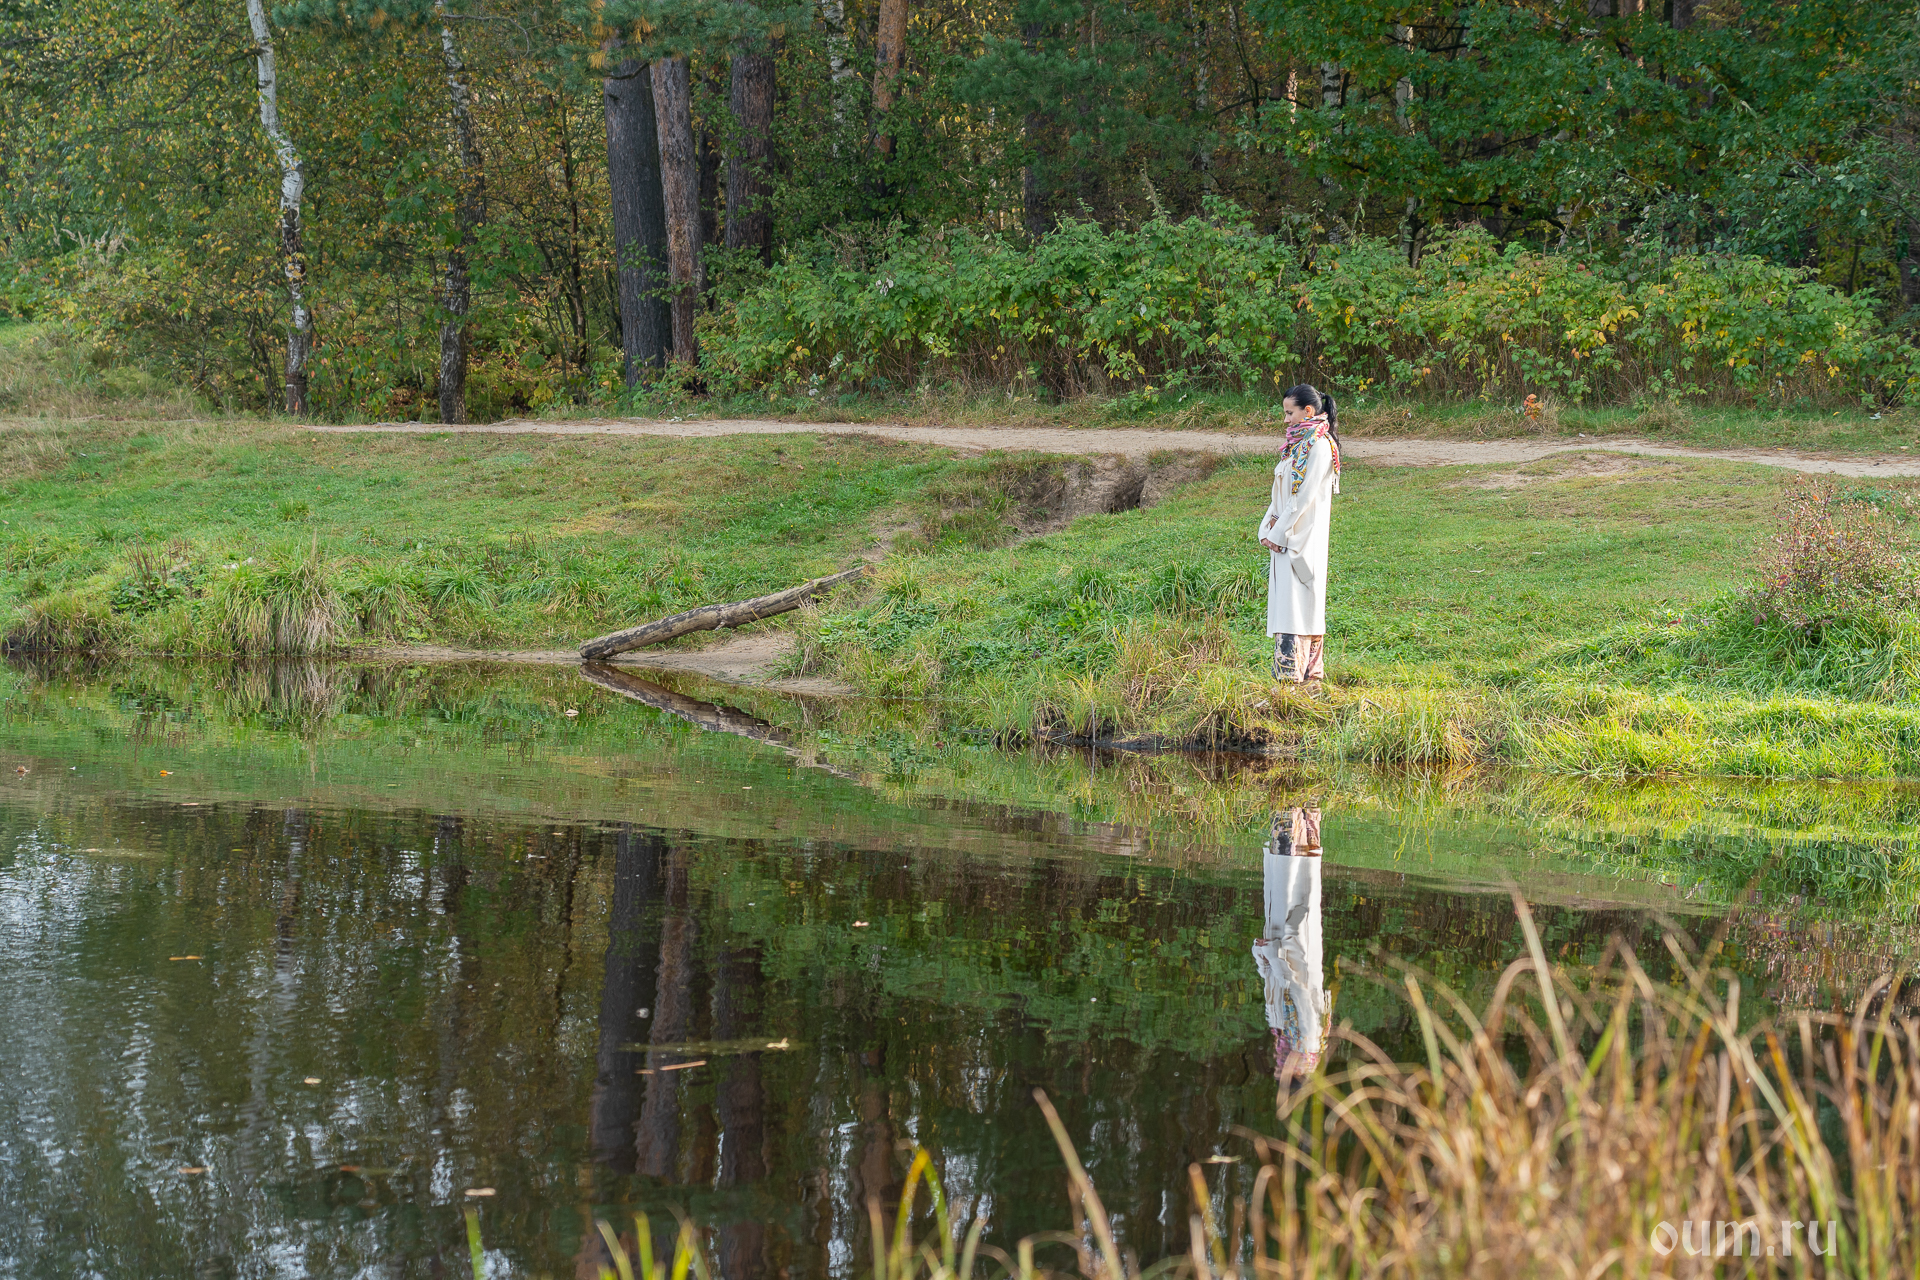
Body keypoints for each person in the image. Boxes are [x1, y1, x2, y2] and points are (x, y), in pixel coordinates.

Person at [1257, 385, 1341, 683]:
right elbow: (1280, 493)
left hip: (1302, 539)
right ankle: (1287, 680)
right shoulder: (1296, 445)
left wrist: (1279, 534)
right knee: (1286, 606)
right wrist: (1266, 529)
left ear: (1308, 411)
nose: (1285, 420)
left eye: (1289, 413)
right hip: (1284, 536)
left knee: (1300, 607)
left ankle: (1302, 680)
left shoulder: (1319, 446)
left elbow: (1303, 497)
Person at [1252, 806, 1327, 1083]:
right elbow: (1299, 989)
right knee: (1296, 886)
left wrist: (1260, 953)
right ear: (1296, 1072)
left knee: (1286, 882)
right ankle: (1299, 813)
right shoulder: (1307, 1039)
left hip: (1277, 944)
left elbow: (1269, 986)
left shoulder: (1283, 1037)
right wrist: (1272, 954)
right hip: (1295, 947)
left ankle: (1291, 812)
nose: (1278, 1064)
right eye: (1283, 1070)